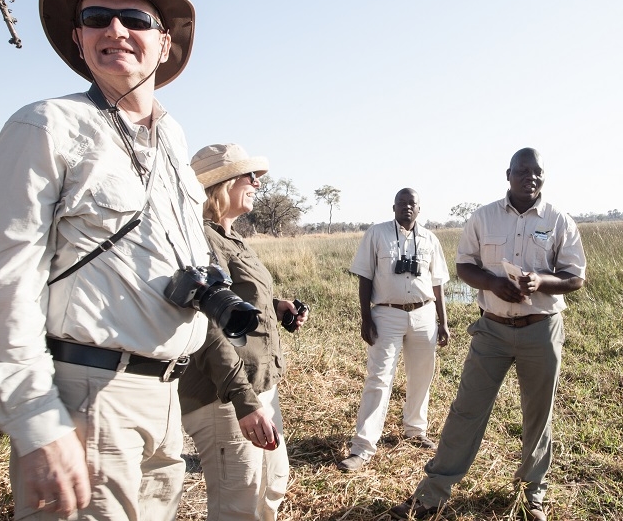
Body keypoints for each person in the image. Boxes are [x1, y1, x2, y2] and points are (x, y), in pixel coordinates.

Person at [0, 0, 206, 520]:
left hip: (165, 402)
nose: (115, 30)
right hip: (89, 397)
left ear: (164, 44)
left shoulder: (172, 140)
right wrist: (38, 423)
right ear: (78, 38)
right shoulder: (46, 125)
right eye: (97, 17)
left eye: (135, 18)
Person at [390, 148, 586, 521]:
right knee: (466, 410)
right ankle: (431, 495)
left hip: (541, 330)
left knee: (537, 416)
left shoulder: (559, 221)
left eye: (537, 172)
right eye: (523, 171)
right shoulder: (483, 217)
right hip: (492, 330)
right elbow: (465, 266)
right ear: (508, 174)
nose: (530, 177)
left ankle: (533, 495)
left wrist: (540, 280)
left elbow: (575, 277)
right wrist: (494, 283)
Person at [178, 143, 309, 521]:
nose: (257, 182)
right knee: (239, 505)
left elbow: (235, 299)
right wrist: (244, 401)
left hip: (259, 385)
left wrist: (276, 306)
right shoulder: (200, 238)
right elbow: (205, 326)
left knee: (272, 484)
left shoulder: (230, 236)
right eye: (249, 176)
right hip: (226, 395)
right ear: (222, 183)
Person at [337, 188, 451, 472]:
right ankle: (362, 446)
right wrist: (366, 318)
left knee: (422, 375)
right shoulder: (377, 234)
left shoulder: (430, 239)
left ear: (419, 208)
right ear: (394, 207)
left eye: (412, 204)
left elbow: (438, 283)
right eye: (402, 203)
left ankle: (415, 430)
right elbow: (364, 276)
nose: (407, 208)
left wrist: (443, 322)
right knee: (379, 378)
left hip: (424, 313)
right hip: (386, 313)